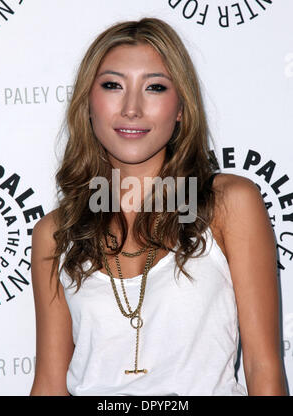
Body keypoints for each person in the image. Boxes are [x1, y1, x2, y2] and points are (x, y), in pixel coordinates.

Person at [29, 17, 288, 396]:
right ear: (88, 102)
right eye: (113, 85)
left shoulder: (228, 204)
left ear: (181, 107)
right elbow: (50, 384)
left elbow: (262, 366)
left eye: (154, 87)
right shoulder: (55, 234)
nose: (132, 108)